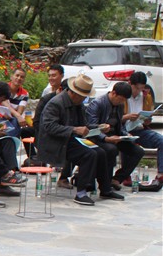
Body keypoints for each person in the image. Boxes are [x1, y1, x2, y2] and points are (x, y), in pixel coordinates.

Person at [39, 74, 124, 206]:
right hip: (57, 142)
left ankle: (105, 189)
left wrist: (98, 127)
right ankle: (81, 192)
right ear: (74, 93)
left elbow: (84, 124)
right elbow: (49, 127)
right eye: (82, 96)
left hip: (72, 139)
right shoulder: (56, 103)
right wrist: (74, 129)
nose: (84, 99)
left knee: (100, 152)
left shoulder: (78, 104)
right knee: (89, 154)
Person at [85, 82, 144, 190]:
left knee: (138, 151)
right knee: (111, 149)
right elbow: (91, 127)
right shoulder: (97, 103)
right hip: (98, 137)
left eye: (123, 100)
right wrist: (105, 138)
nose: (121, 102)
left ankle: (117, 179)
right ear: (113, 93)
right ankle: (105, 185)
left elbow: (119, 125)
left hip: (114, 136)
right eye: (120, 99)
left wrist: (126, 135)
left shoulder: (119, 105)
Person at [125, 71, 163, 182]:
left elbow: (147, 119)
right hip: (124, 130)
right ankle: (125, 175)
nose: (138, 91)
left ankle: (161, 174)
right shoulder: (123, 95)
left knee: (161, 141)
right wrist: (127, 117)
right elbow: (116, 118)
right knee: (127, 143)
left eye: (141, 89)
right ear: (130, 84)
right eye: (136, 88)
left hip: (139, 129)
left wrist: (147, 120)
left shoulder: (146, 96)